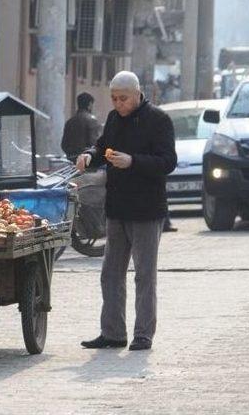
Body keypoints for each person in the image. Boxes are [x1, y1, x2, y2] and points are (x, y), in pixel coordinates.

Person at [76, 71, 177, 351]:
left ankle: (143, 333)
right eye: (114, 99)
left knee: (144, 274)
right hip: (117, 208)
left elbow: (168, 161)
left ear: (137, 94)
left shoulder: (158, 120)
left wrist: (132, 161)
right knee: (110, 273)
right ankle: (113, 333)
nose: (118, 104)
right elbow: (103, 146)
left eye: (123, 99)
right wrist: (89, 155)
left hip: (147, 209)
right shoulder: (112, 119)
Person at [61, 92, 102, 161]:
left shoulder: (70, 121)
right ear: (90, 104)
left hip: (71, 159)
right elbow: (95, 143)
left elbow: (64, 145)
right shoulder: (92, 120)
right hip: (88, 161)